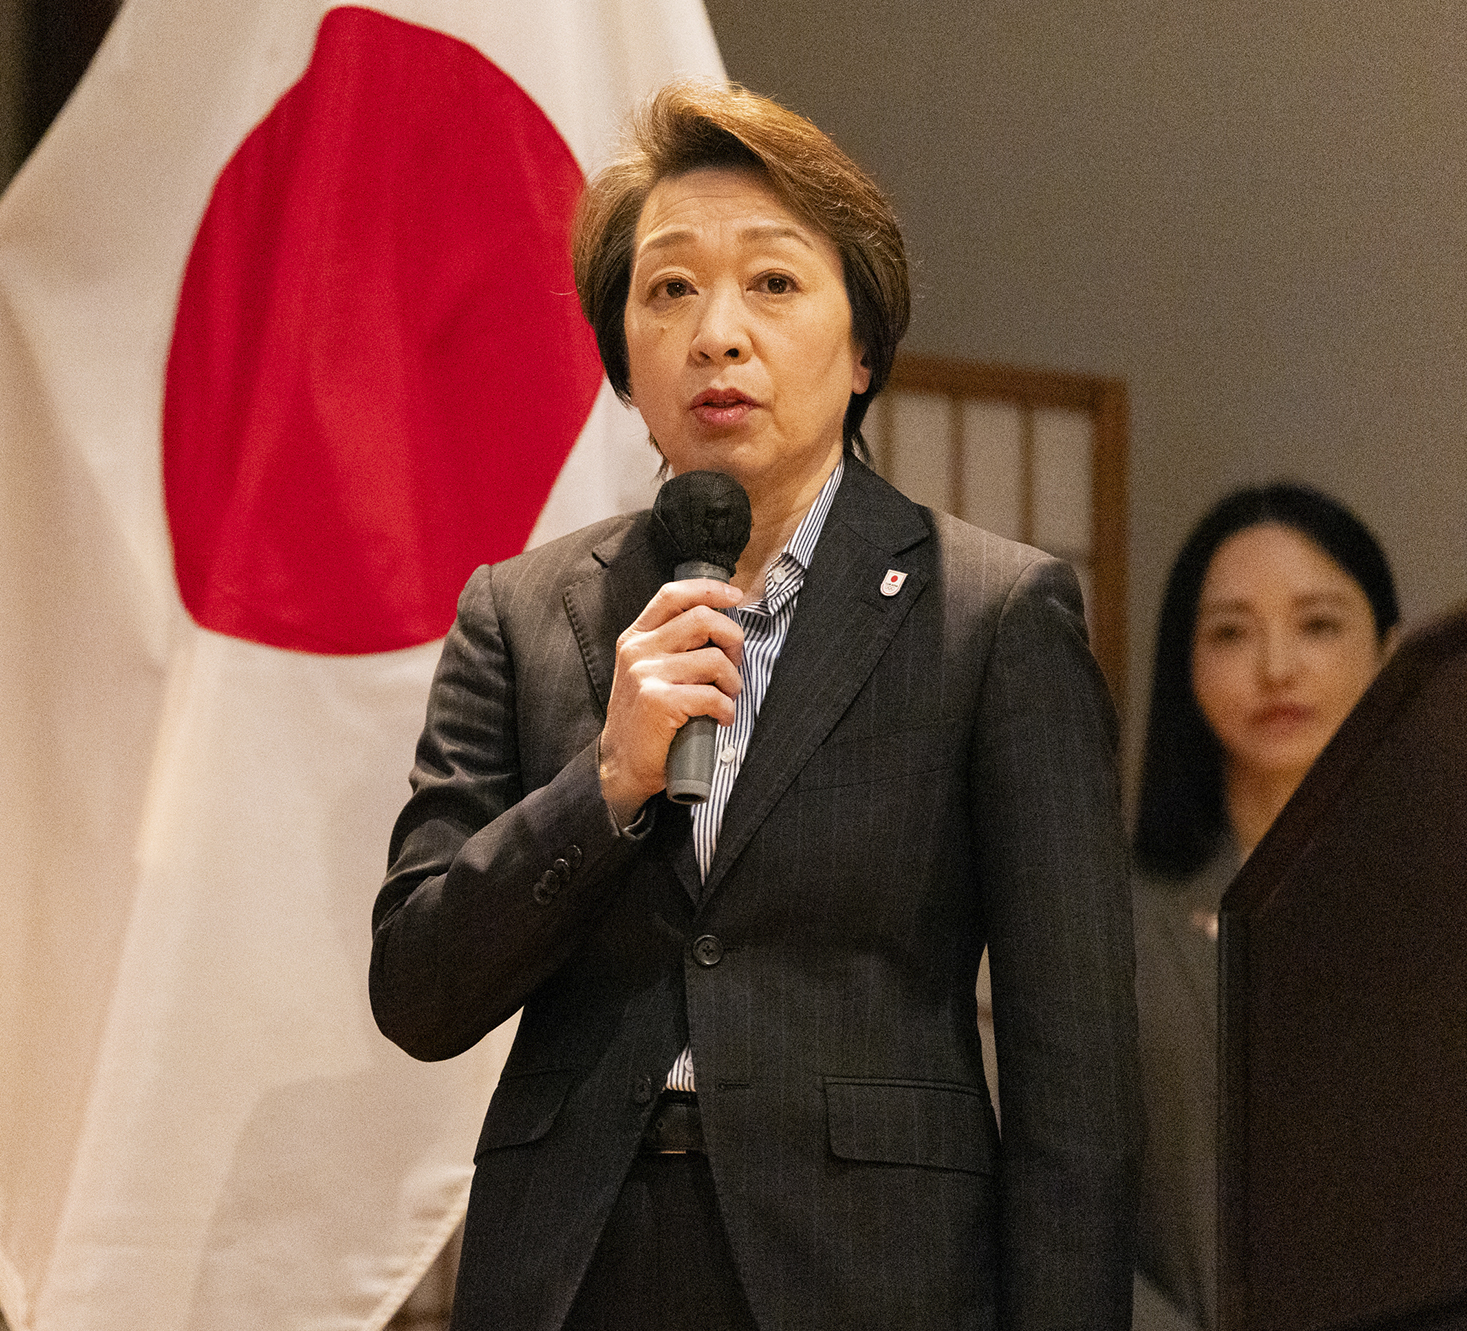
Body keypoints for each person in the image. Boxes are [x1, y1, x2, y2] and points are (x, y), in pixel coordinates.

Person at [370, 81, 1140, 1331]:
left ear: (862, 348)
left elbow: (1077, 1086)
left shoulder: (988, 615)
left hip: (870, 1273)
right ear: (623, 364)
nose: (715, 333)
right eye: (669, 289)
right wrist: (604, 783)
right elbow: (416, 985)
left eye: (772, 283)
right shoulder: (521, 611)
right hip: (573, 1272)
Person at [1130, 483, 1399, 1330]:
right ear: (1186, 664)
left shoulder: (1439, 895)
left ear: (1391, 650)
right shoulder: (1115, 917)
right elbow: (1060, 1204)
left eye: (1317, 624)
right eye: (1231, 632)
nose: (1277, 666)